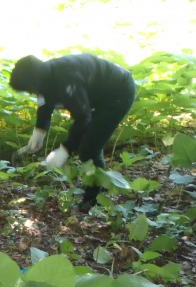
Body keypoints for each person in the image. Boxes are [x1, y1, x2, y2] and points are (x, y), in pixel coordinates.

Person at [9, 53, 136, 211]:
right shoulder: (45, 74)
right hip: (97, 94)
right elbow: (44, 104)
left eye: (29, 90)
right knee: (88, 143)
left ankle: (93, 199)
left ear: (34, 82)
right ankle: (99, 186)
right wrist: (39, 131)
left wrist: (65, 150)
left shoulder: (66, 80)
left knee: (89, 149)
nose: (30, 93)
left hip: (118, 92)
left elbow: (83, 118)